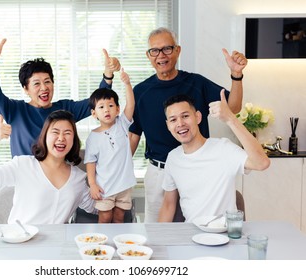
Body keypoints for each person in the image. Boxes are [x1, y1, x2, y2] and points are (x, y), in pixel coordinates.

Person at [128, 27, 248, 222]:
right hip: (159, 171)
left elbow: (232, 107)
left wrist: (236, 75)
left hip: (196, 169)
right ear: (148, 55)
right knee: (157, 231)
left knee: (199, 225)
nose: (161, 55)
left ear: (178, 50)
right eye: (155, 51)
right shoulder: (141, 91)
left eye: (167, 49)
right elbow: (133, 135)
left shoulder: (196, 83)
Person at [0, 39, 120, 156]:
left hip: (59, 179)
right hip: (27, 180)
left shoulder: (64, 109)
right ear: (26, 89)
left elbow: (98, 102)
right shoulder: (16, 110)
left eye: (47, 81)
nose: (44, 87)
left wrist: (108, 73)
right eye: (36, 83)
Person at [158, 92, 270, 222]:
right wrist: (158, 238)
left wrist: (230, 119)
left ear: (198, 117)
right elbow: (168, 205)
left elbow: (262, 163)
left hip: (226, 235)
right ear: (168, 126)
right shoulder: (173, 158)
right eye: (173, 120)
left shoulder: (223, 148)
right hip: (192, 235)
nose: (180, 123)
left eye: (185, 116)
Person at [0, 110, 95, 225]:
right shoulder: (23, 165)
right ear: (45, 136)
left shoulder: (78, 178)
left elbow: (96, 206)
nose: (61, 138)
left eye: (67, 133)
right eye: (55, 132)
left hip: (58, 244)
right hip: (21, 241)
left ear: (74, 140)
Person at [84, 69, 136, 223]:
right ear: (94, 114)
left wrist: (127, 84)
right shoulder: (93, 137)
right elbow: (90, 163)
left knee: (120, 217)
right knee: (105, 217)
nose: (106, 109)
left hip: (124, 185)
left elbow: (131, 104)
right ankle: (102, 246)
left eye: (111, 105)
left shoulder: (122, 124)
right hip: (105, 187)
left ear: (118, 109)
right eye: (101, 107)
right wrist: (92, 184)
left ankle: (117, 245)